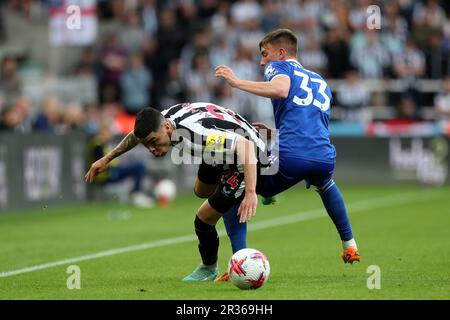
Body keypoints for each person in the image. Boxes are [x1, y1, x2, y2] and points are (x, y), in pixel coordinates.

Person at [214, 29, 360, 266]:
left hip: (291, 157)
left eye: (265, 54)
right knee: (325, 183)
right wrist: (273, 134)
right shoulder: (319, 80)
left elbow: (280, 90)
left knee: (235, 180)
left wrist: (236, 82)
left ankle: (239, 263)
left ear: (281, 53)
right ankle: (350, 245)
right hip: (323, 155)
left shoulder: (279, 67)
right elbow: (307, 122)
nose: (262, 61)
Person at [85, 102, 271, 280]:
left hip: (245, 158)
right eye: (147, 144)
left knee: (204, 219)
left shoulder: (195, 135)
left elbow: (245, 146)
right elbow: (136, 135)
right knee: (201, 190)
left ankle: (208, 268)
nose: (151, 148)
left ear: (166, 127)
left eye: (154, 142)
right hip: (218, 151)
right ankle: (237, 194)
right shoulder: (163, 121)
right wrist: (106, 159)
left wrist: (251, 192)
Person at [86, 123, 154, 208]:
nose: (111, 135)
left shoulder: (100, 143)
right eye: (109, 132)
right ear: (103, 132)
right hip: (108, 176)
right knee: (139, 167)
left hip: (111, 173)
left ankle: (136, 194)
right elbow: (101, 164)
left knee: (137, 166)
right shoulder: (98, 146)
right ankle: (136, 195)